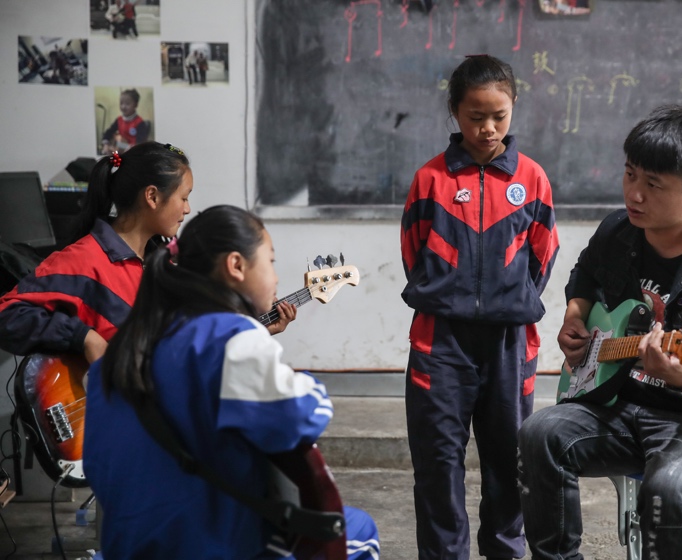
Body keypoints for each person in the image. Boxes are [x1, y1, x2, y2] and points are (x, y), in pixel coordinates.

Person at [517, 104, 682, 559]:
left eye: (653, 185)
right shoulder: (618, 231)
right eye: (630, 175)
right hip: (617, 404)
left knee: (668, 487)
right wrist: (576, 314)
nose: (635, 194)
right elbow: (585, 275)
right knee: (538, 433)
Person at [83, 205, 380, 559]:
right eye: (270, 262)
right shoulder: (229, 336)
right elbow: (299, 418)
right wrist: (307, 383)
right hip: (207, 547)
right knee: (359, 530)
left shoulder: (121, 350)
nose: (275, 278)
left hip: (127, 548)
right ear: (236, 266)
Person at [400, 54, 559, 559]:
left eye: (499, 116)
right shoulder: (430, 180)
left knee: (508, 466)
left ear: (513, 109)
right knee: (438, 467)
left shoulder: (532, 180)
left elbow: (543, 257)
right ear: (454, 112)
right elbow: (413, 252)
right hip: (439, 344)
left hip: (511, 344)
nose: (488, 129)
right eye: (475, 117)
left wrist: (505, 303)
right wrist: (453, 298)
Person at [0, 142, 202, 364]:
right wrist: (84, 337)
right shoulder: (85, 261)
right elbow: (7, 315)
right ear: (152, 197)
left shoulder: (159, 261)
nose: (187, 209)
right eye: (184, 198)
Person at [100, 88, 151, 155]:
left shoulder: (140, 123)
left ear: (135, 105)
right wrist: (106, 144)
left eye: (127, 104)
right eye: (121, 103)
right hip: (121, 148)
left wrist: (127, 147)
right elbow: (109, 132)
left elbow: (140, 143)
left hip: (133, 151)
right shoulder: (119, 120)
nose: (123, 107)